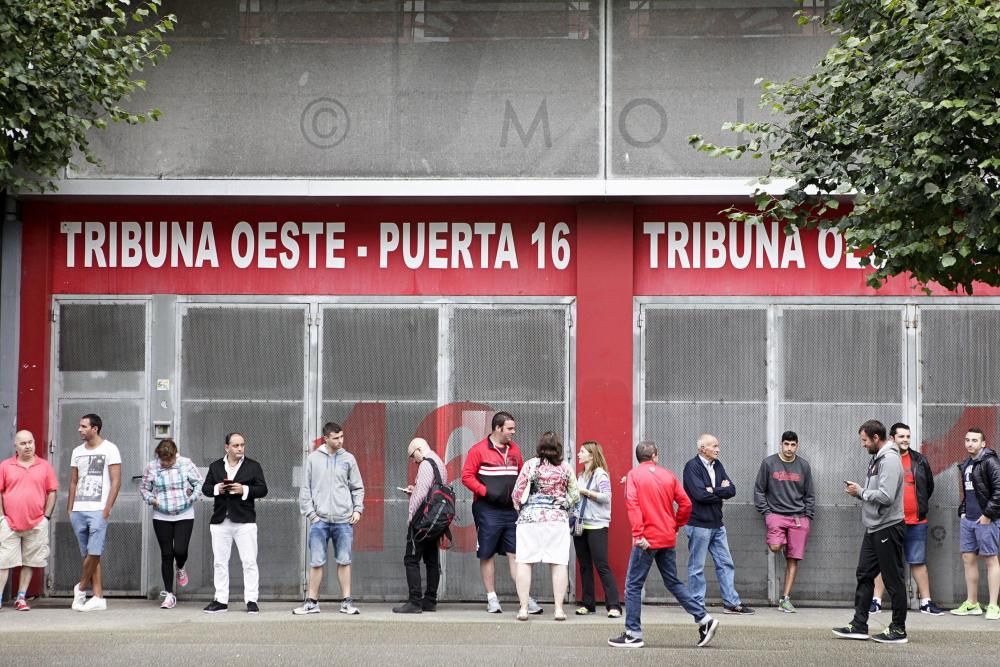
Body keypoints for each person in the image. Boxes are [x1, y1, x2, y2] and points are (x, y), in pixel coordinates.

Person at [609, 441, 719, 649]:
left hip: (646, 540)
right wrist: (676, 525)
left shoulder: (634, 475)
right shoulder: (668, 475)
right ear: (655, 456)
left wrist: (638, 534)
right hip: (666, 537)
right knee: (673, 582)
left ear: (638, 457)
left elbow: (632, 504)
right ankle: (704, 619)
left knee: (633, 585)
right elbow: (686, 503)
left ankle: (633, 634)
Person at [834, 420, 908, 643]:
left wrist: (861, 492)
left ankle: (898, 629)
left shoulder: (890, 459)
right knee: (864, 574)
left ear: (876, 438)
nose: (863, 445)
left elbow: (886, 496)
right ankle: (859, 625)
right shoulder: (877, 459)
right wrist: (861, 492)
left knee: (893, 579)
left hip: (888, 527)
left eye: (865, 440)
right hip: (874, 527)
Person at [461, 411, 541, 614]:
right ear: (498, 428)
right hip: (487, 510)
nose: (513, 432)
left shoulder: (514, 450)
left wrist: (522, 495)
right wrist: (486, 492)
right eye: (510, 429)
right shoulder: (478, 450)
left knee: (516, 553)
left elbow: (522, 474)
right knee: (487, 553)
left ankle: (525, 598)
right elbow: (467, 477)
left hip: (510, 510)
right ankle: (492, 598)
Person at [871, 423, 944, 616]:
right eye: (901, 436)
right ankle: (876, 601)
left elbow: (928, 486)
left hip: (916, 521)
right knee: (883, 561)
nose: (905, 440)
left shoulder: (919, 460)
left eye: (908, 436)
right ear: (892, 438)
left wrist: (916, 506)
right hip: (889, 521)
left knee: (918, 561)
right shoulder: (883, 459)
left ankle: (926, 602)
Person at [293, 421, 365, 616]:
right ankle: (312, 602)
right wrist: (312, 515)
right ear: (326, 438)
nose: (340, 441)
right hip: (320, 520)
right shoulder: (313, 459)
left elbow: (357, 486)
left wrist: (357, 510)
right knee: (316, 562)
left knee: (345, 560)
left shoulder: (348, 459)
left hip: (343, 520)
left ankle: (346, 603)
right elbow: (305, 490)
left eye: (342, 437)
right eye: (336, 438)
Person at [682, 433, 754, 614]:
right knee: (697, 566)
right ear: (702, 449)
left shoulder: (718, 465)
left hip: (717, 524)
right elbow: (699, 495)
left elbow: (732, 490)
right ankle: (697, 604)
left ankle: (731, 603)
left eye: (717, 446)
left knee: (725, 563)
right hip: (698, 524)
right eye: (714, 446)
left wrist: (713, 490)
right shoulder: (692, 467)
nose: (718, 449)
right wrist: (719, 491)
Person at [511, 431, 579, 621]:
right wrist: (562, 505)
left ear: (539, 447)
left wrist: (523, 509)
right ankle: (558, 609)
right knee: (558, 562)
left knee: (524, 562)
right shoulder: (565, 468)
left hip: (529, 520)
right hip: (556, 521)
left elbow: (517, 494)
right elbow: (575, 496)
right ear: (558, 448)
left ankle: (524, 608)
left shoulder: (530, 465)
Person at [202, 432, 268, 614]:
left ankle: (251, 600)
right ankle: (221, 600)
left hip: (244, 520)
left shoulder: (253, 466)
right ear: (227, 448)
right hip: (220, 520)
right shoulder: (215, 466)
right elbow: (206, 488)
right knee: (220, 562)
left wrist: (244, 489)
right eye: (236, 445)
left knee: (249, 561)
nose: (240, 448)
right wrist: (218, 488)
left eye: (242, 445)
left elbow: (263, 489)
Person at [753, 430, 815, 613]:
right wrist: (767, 513)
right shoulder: (769, 463)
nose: (789, 448)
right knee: (775, 547)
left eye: (793, 444)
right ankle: (784, 543)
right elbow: (759, 490)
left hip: (798, 518)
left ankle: (785, 599)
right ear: (781, 444)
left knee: (793, 559)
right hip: (776, 515)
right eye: (786, 444)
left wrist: (808, 516)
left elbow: (809, 493)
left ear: (797, 445)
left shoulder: (803, 466)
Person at [139, 439, 203, 609]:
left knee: (180, 550)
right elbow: (144, 488)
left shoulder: (185, 464)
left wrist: (191, 497)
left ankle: (180, 567)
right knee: (166, 554)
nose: (166, 463)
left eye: (169, 460)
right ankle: (169, 594)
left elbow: (199, 483)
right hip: (161, 515)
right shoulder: (151, 467)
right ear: (158, 457)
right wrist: (152, 500)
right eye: (163, 460)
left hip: (184, 513)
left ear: (175, 455)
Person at [67, 413, 121, 612]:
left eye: (83, 426)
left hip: (98, 509)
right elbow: (73, 481)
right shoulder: (76, 451)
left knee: (94, 552)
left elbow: (116, 481)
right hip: (79, 510)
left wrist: (107, 509)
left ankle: (80, 588)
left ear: (94, 428)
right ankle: (98, 596)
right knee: (88, 554)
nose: (79, 429)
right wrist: (70, 508)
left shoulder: (110, 449)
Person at [0, 430, 57, 611]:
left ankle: (21, 597)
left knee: (30, 561)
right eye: (23, 443)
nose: (28, 446)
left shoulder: (44, 466)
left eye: (30, 442)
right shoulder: (5, 466)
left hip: (36, 523)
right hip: (9, 524)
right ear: (15, 446)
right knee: (4, 562)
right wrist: (2, 518)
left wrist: (46, 517)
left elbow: (52, 492)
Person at [950, 427, 1000, 620]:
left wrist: (987, 514)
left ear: (983, 443)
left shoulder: (990, 462)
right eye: (967, 440)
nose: (970, 443)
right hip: (968, 519)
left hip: (986, 520)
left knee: (990, 559)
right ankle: (972, 603)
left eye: (974, 440)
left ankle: (994, 605)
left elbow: (998, 491)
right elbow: (968, 493)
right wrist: (963, 512)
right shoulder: (966, 464)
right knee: (968, 559)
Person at [393, 437, 447, 614]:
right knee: (432, 560)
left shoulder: (425, 464)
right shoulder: (439, 462)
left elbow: (422, 494)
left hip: (422, 520)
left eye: (411, 456)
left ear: (418, 449)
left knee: (411, 559)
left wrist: (411, 518)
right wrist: (414, 488)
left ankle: (415, 601)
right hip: (436, 520)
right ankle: (430, 600)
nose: (412, 461)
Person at [572, 440, 621, 617]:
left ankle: (614, 605)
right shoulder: (580, 475)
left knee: (601, 564)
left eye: (582, 451)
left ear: (592, 455)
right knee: (584, 565)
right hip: (580, 524)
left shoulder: (600, 474)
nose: (579, 454)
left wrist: (584, 491)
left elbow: (606, 497)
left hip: (597, 525)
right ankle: (588, 603)